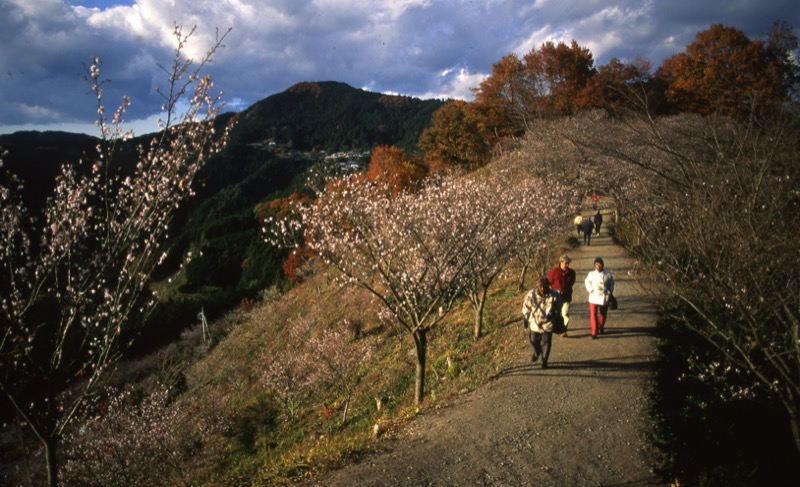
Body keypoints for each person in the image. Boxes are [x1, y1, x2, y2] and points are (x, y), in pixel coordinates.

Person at [522, 277, 562, 368]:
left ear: (549, 287)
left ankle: (544, 361)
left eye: (545, 287)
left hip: (548, 322)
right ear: (537, 286)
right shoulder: (531, 294)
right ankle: (537, 352)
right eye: (541, 287)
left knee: (546, 342)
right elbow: (526, 306)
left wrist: (555, 312)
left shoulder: (554, 295)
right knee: (533, 340)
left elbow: (560, 305)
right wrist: (525, 317)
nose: (543, 289)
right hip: (535, 322)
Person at [584, 257, 615, 339]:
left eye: (599, 264)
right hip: (594, 297)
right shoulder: (591, 274)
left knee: (603, 313)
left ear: (602, 265)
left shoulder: (608, 274)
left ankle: (601, 327)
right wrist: (591, 289)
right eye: (596, 264)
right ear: (594, 265)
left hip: (604, 296)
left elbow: (612, 283)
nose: (598, 266)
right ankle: (594, 331)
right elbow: (587, 282)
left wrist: (610, 291)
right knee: (593, 314)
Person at [547, 255, 576, 337]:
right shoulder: (553, 272)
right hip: (556, 295)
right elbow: (549, 282)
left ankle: (564, 330)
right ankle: (555, 327)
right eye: (565, 263)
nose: (567, 265)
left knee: (565, 313)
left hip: (566, 295)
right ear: (560, 263)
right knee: (555, 313)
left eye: (568, 263)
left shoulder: (572, 273)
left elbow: (572, 282)